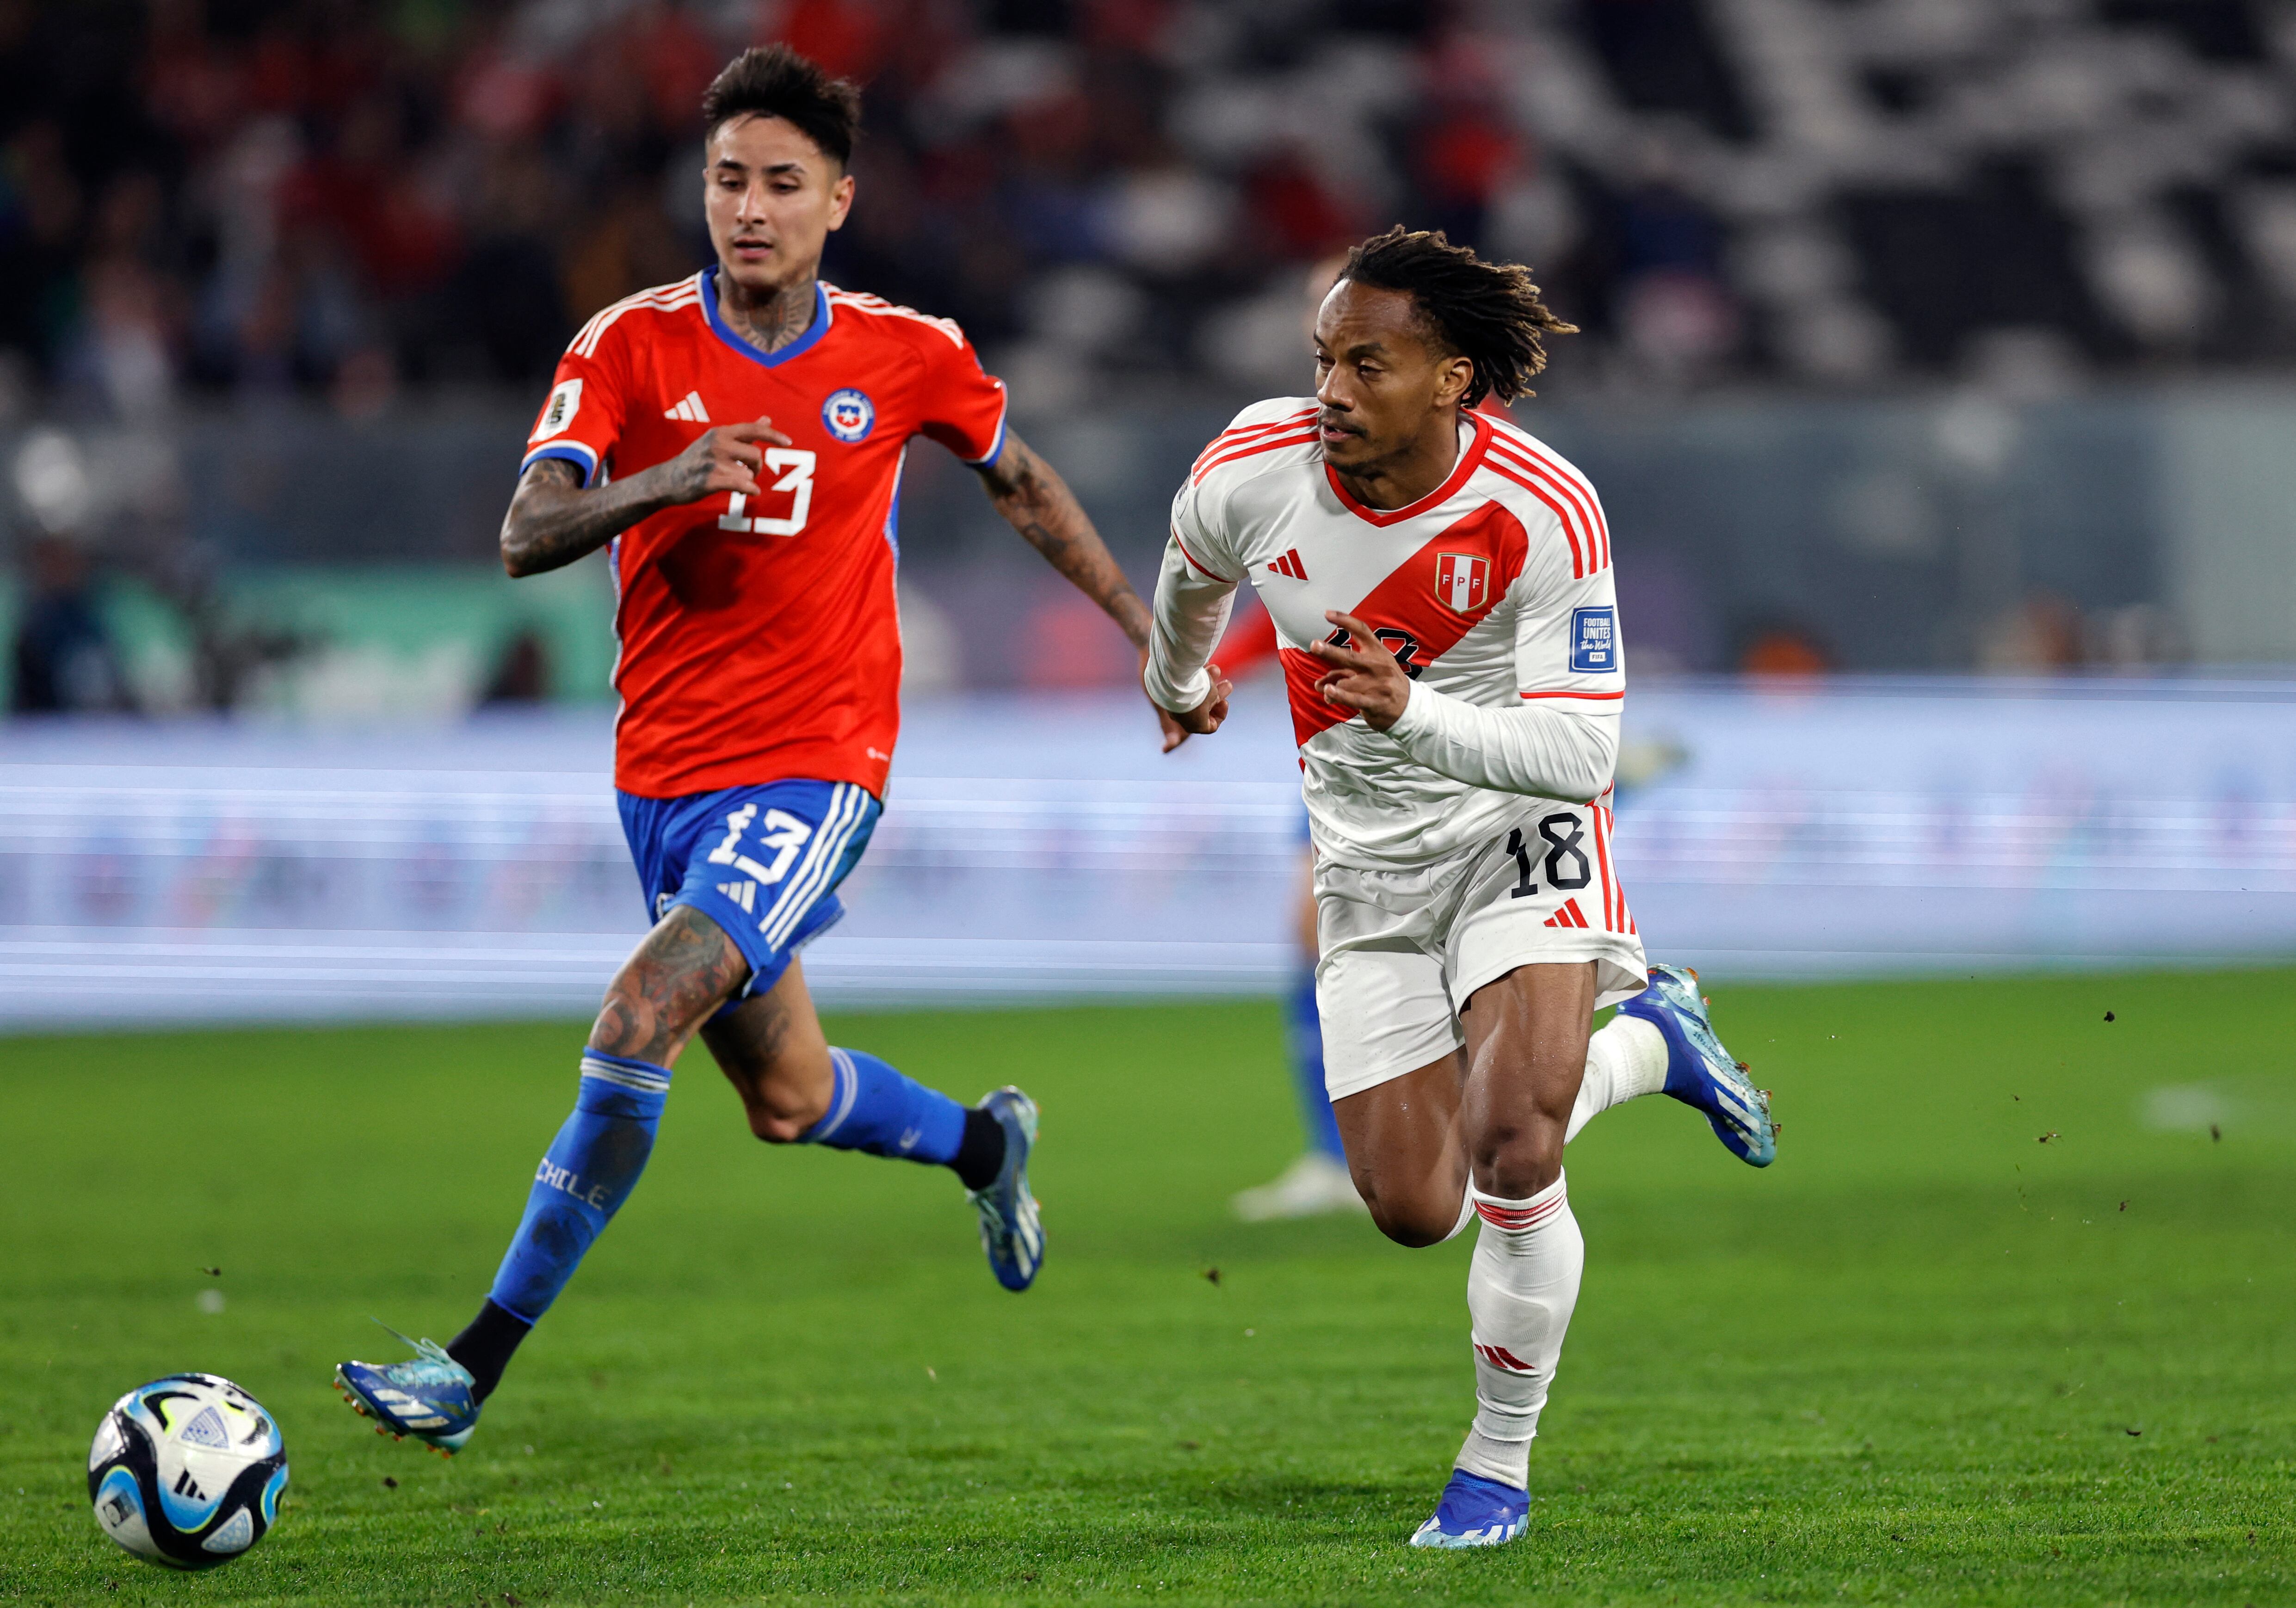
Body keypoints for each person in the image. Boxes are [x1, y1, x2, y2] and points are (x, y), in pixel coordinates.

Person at [335, 44, 1172, 1456]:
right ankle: (986, 1145)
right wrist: (662, 477)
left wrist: (1145, 632)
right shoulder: (628, 347)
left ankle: (470, 1367)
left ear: (838, 201)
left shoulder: (906, 355)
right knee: (786, 1100)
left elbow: (1020, 482)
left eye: (783, 183)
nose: (750, 209)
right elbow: (525, 534)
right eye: (728, 179)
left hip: (820, 763)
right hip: (660, 778)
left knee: (636, 1017)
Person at [1143, 226, 1775, 1547]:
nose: (1328, 390)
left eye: (1365, 364)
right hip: (1367, 869)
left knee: (1512, 1150)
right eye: (1320, 359)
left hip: (1518, 833)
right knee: (1414, 1209)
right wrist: (1176, 680)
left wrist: (1415, 713)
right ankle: (1652, 1044)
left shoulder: (1545, 508)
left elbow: (1582, 750)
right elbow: (1189, 567)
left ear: (1452, 382)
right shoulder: (1252, 468)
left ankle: (1493, 1470)